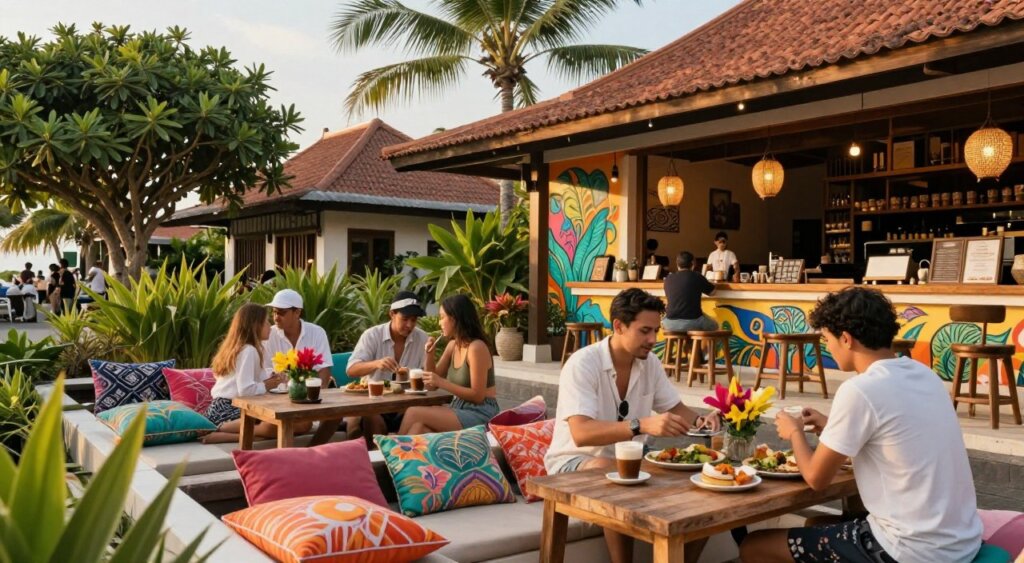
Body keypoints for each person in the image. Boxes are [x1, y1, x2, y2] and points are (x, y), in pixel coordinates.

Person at [740, 287, 982, 563]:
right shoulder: (924, 374)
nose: (827, 347)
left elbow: (817, 479)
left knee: (754, 545)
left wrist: (794, 432)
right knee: (814, 525)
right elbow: (894, 433)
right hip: (961, 541)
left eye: (826, 339)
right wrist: (832, 426)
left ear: (846, 339)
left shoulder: (861, 389)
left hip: (911, 550)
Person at [543, 288, 720, 563]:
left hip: (631, 462)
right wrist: (642, 425)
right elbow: (581, 434)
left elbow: (674, 408)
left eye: (656, 331)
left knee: (701, 485)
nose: (653, 340)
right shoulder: (582, 364)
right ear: (618, 326)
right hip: (572, 464)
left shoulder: (649, 363)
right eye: (645, 331)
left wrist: (700, 420)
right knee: (613, 472)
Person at [398, 294, 498, 435]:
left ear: (455, 319)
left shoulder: (476, 347)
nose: (440, 323)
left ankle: (390, 451)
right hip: (458, 407)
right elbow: (431, 385)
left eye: (442, 317)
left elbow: (478, 395)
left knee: (413, 412)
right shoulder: (453, 346)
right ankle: (403, 455)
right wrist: (429, 355)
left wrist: (442, 382)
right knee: (418, 429)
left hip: (480, 412)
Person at [201, 303, 292, 444]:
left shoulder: (242, 348)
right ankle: (220, 432)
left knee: (286, 427)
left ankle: (232, 434)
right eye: (265, 322)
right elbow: (245, 390)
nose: (270, 326)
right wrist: (268, 385)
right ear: (255, 326)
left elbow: (249, 379)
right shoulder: (249, 350)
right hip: (229, 409)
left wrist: (273, 377)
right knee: (276, 426)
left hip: (217, 408)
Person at [346, 291, 429, 444]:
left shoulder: (423, 338)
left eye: (414, 320)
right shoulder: (372, 335)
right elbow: (351, 369)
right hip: (376, 405)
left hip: (407, 407)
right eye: (405, 319)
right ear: (391, 314)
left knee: (423, 418)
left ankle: (397, 461)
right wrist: (376, 364)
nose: (410, 325)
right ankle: (377, 463)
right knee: (371, 416)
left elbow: (429, 377)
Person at [263, 289, 336, 444]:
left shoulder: (317, 332)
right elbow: (264, 371)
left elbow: (324, 369)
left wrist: (317, 396)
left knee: (336, 415)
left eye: (281, 312)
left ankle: (313, 450)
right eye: (274, 312)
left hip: (310, 394)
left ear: (297, 313)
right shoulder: (268, 335)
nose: (276, 317)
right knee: (302, 423)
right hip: (277, 397)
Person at [662, 251, 718, 332]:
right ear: (693, 263)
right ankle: (699, 345)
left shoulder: (668, 279)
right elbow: (712, 292)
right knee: (714, 325)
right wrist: (715, 282)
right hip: (692, 321)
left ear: (677, 264)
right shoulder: (696, 276)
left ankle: (689, 345)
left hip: (669, 323)